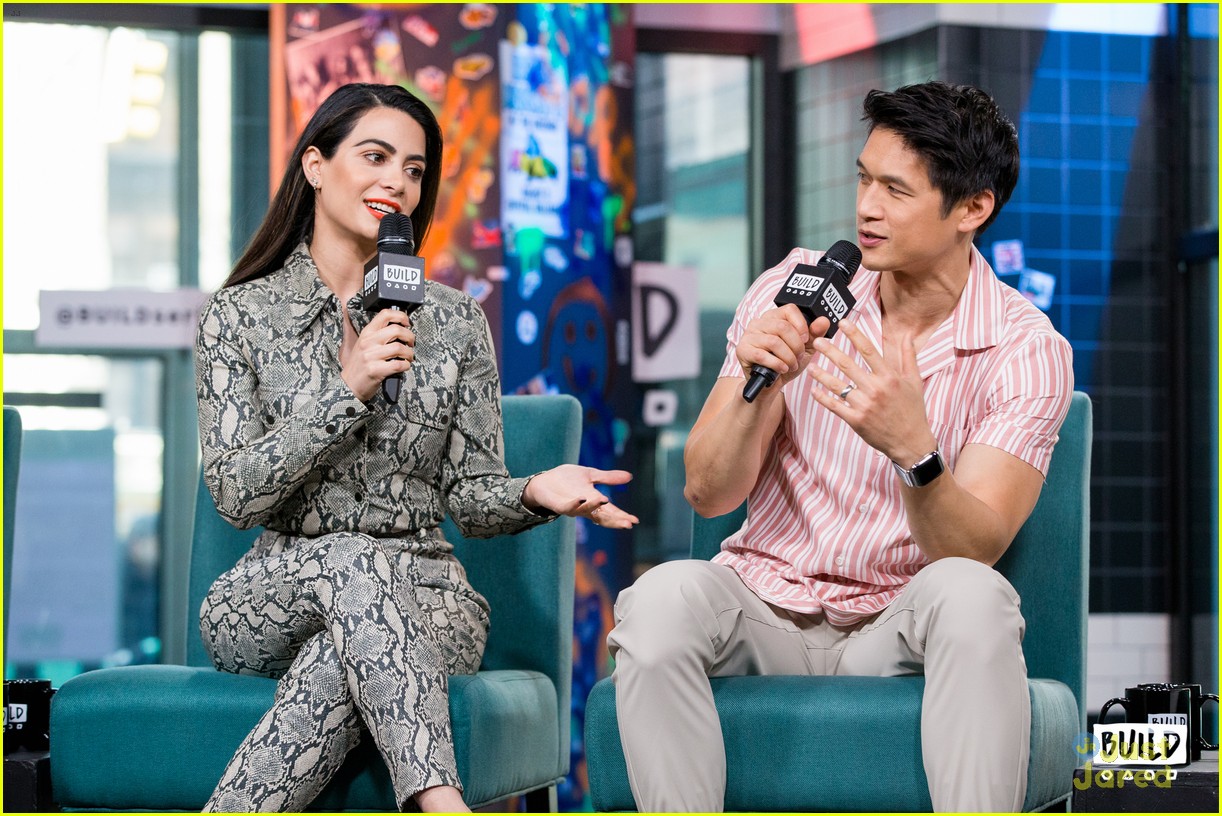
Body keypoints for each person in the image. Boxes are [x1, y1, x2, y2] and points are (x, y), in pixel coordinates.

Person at [606, 81, 1073, 812]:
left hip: (898, 623)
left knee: (976, 597)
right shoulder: (795, 290)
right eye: (863, 178)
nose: (866, 208)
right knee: (657, 600)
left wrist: (915, 453)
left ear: (973, 208)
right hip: (765, 602)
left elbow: (973, 548)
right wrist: (752, 388)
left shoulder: (1024, 348)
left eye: (895, 189)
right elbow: (708, 491)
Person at [195, 83, 637, 814]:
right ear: (315, 165)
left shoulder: (455, 321)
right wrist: (348, 385)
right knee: (351, 558)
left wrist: (531, 491)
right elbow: (236, 495)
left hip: (429, 599)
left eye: (415, 168)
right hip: (269, 594)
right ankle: (441, 803)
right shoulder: (238, 316)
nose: (397, 182)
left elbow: (470, 494)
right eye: (375, 157)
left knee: (344, 654)